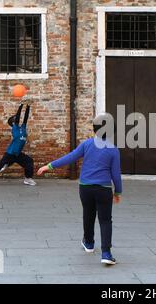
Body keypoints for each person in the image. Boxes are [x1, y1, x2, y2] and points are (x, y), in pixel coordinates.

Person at [37, 113, 122, 265]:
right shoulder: (113, 150)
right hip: (103, 189)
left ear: (94, 130)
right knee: (105, 220)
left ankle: (88, 243)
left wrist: (48, 166)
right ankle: (106, 254)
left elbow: (69, 157)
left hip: (85, 188)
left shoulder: (87, 144)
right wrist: (118, 192)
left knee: (88, 215)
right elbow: (116, 175)